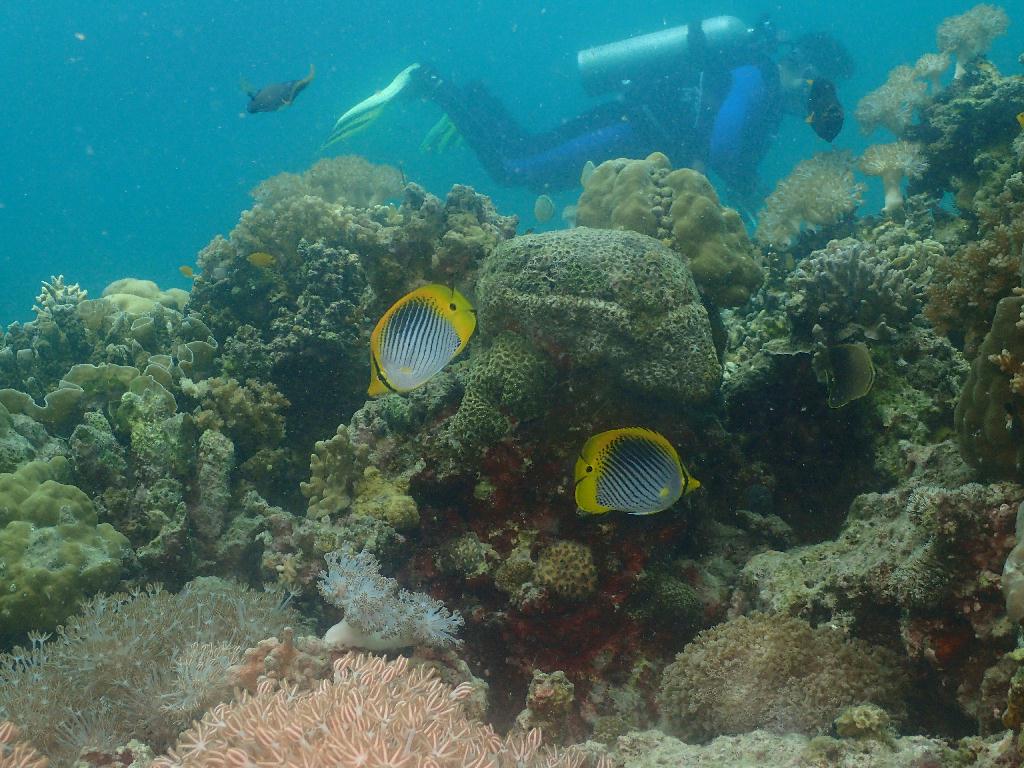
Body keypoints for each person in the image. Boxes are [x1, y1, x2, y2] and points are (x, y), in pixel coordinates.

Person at [324, 17, 853, 209]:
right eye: (818, 91)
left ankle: (473, 101)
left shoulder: (759, 82)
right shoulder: (755, 75)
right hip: (627, 129)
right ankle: (431, 83)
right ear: (800, 64)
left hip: (630, 131)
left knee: (527, 153)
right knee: (517, 169)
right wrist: (750, 188)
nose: (813, 105)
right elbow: (721, 146)